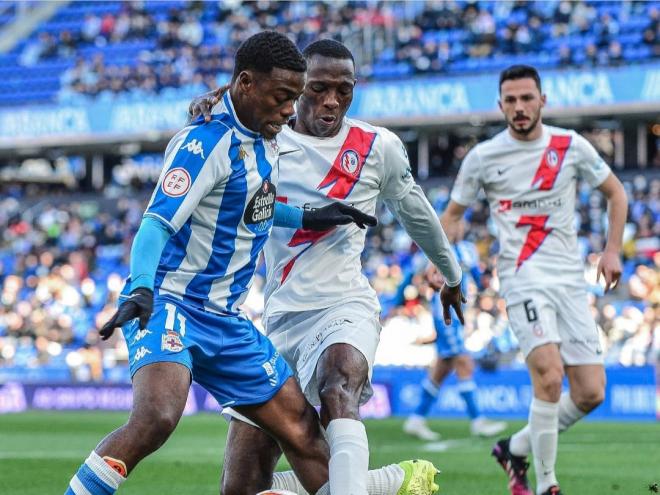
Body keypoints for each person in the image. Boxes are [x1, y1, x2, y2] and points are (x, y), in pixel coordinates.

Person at [64, 31, 377, 495]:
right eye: (281, 97)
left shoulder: (265, 134)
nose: (290, 110)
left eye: (294, 97)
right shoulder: (204, 144)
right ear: (246, 85)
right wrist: (142, 286)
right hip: (171, 303)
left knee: (304, 433)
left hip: (227, 322)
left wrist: (309, 216)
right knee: (157, 417)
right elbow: (155, 224)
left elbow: (254, 205)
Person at [192, 39, 464, 495]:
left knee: (339, 385)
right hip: (278, 324)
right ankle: (392, 481)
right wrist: (212, 101)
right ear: (298, 87)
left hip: (343, 306)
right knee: (240, 487)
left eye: (344, 89)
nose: (332, 100)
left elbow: (416, 211)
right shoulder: (261, 146)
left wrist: (452, 275)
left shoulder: (377, 147)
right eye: (318, 88)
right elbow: (226, 121)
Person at [440, 65, 627, 495]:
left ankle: (514, 448)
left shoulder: (570, 145)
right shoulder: (483, 157)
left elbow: (616, 192)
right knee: (548, 375)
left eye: (527, 98)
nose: (519, 107)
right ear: (500, 105)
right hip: (522, 279)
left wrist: (613, 248)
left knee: (591, 392)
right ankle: (547, 485)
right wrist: (439, 260)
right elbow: (451, 216)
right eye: (511, 100)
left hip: (569, 282)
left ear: (543, 100)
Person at [402, 238, 507, 441]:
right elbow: (421, 275)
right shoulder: (435, 245)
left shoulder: (468, 249)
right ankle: (478, 420)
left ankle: (416, 419)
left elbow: (478, 278)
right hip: (444, 310)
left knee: (443, 367)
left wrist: (485, 282)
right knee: (463, 360)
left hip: (461, 311)